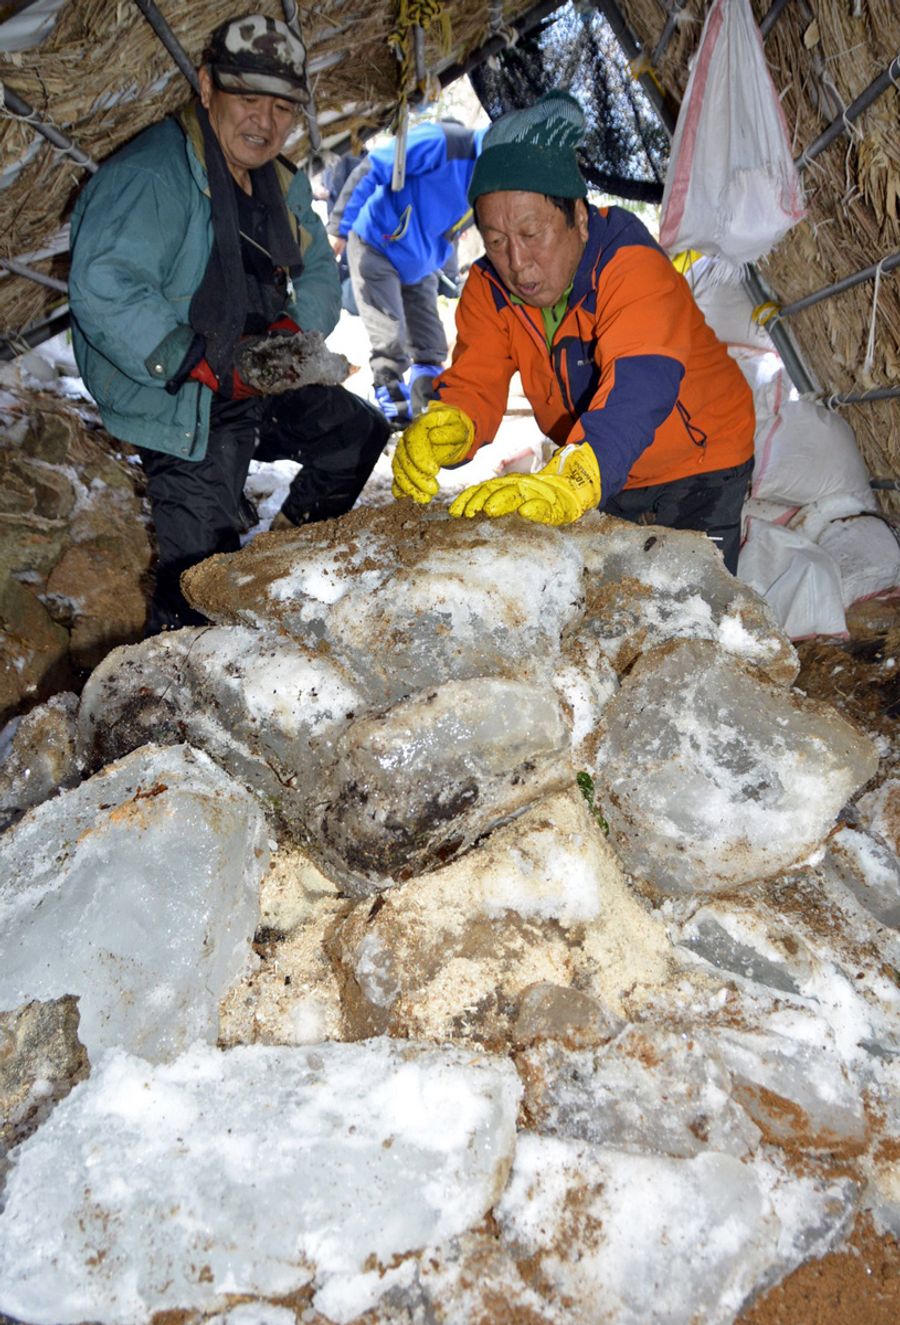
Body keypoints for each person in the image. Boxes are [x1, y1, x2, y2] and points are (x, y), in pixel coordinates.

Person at [68, 13, 389, 633]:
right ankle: (166, 693)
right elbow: (99, 284)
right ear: (208, 87)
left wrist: (294, 335)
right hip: (182, 400)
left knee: (355, 436)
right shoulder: (154, 175)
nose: (264, 123)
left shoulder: (279, 181)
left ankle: (277, 567)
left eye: (282, 108)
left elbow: (321, 266)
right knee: (199, 581)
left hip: (253, 378)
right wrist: (197, 361)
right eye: (247, 99)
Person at [390, 92, 755, 573]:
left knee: (690, 609)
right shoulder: (487, 287)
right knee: (609, 595)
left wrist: (578, 473)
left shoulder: (630, 265)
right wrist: (452, 425)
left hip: (699, 457)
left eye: (531, 234)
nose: (517, 263)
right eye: (496, 241)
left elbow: (640, 381)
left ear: (578, 218)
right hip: (598, 458)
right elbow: (476, 381)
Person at [327, 119, 485, 426]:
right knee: (390, 339)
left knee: (430, 345)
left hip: (423, 261)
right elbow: (372, 167)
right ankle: (392, 420)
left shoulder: (500, 181)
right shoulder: (445, 142)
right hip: (376, 243)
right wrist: (337, 229)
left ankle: (427, 415)